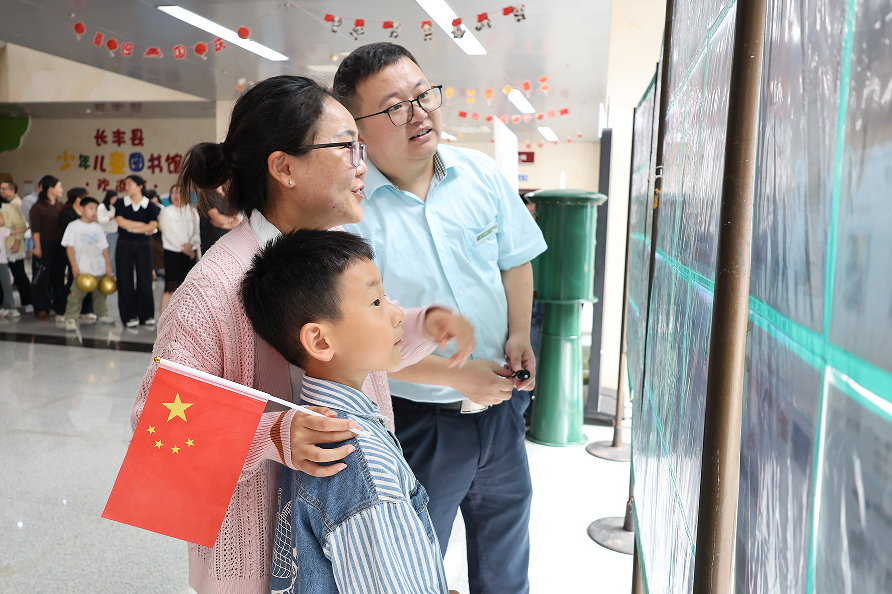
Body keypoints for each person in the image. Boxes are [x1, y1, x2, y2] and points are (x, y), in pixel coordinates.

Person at [131, 75, 474, 594]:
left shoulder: (332, 246)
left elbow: (350, 346)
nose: (362, 164)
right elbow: (153, 427)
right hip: (256, 566)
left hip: (349, 552)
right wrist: (271, 434)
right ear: (284, 168)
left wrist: (419, 324)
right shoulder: (212, 290)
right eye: (345, 146)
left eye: (361, 147)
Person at [334, 42, 547, 594]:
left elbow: (514, 260)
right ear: (357, 129)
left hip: (500, 408)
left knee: (506, 552)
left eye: (423, 94)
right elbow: (356, 350)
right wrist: (454, 377)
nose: (419, 113)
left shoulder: (480, 174)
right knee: (414, 565)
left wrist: (518, 332)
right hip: (415, 423)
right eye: (394, 107)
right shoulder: (348, 216)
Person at [241, 229, 451, 593]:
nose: (397, 314)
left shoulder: (310, 428)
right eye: (376, 302)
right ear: (320, 340)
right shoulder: (358, 460)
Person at [60, 197, 115, 331]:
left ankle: (102, 315)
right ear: (82, 208)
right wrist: (73, 265)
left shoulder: (98, 228)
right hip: (82, 269)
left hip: (99, 268)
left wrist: (108, 265)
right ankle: (71, 318)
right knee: (75, 296)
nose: (94, 212)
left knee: (100, 295)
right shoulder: (73, 226)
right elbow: (69, 247)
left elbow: (104, 248)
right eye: (91, 208)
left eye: (95, 209)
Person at [114, 174, 160, 328]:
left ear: (140, 186)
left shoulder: (150, 205)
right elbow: (120, 222)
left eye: (130, 184)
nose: (126, 187)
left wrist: (132, 227)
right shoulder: (121, 202)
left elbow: (153, 225)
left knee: (145, 278)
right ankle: (129, 316)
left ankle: (146, 314)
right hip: (124, 243)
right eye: (126, 184)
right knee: (124, 278)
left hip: (144, 244)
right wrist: (142, 226)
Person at [157, 184, 199, 314]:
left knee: (188, 289)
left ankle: (185, 317)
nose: (177, 195)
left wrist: (191, 245)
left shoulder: (192, 211)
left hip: (191, 254)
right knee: (170, 288)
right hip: (173, 254)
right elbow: (168, 233)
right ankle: (163, 319)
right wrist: (184, 248)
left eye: (180, 192)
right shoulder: (166, 211)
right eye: (174, 192)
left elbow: (197, 233)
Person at [29, 175, 67, 320]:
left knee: (58, 276)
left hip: (59, 245)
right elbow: (35, 229)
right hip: (44, 244)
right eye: (59, 187)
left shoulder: (60, 205)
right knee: (41, 276)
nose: (62, 190)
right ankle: (41, 307)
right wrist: (37, 247)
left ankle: (58, 305)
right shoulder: (38, 207)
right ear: (50, 189)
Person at [0, 180, 31, 311]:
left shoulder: (14, 205)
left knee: (19, 274)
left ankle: (28, 302)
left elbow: (20, 226)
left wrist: (17, 243)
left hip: (12, 246)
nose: (1, 191)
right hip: (3, 247)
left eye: (4, 189)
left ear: (12, 190)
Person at [198, 185, 239, 255]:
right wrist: (228, 222)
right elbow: (218, 219)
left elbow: (237, 220)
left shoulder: (228, 193)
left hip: (229, 243)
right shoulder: (206, 194)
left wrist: (223, 225)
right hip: (212, 245)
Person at [0, 211, 20, 318]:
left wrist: (28, 227)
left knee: (6, 284)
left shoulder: (3, 230)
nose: (3, 220)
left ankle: (10, 306)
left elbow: (16, 231)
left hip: (2, 262)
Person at [96, 190, 119, 276]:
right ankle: (107, 272)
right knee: (108, 254)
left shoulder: (112, 207)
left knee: (114, 254)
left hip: (114, 232)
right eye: (113, 198)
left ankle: (113, 272)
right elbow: (101, 220)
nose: (114, 200)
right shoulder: (101, 207)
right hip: (106, 233)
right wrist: (111, 217)